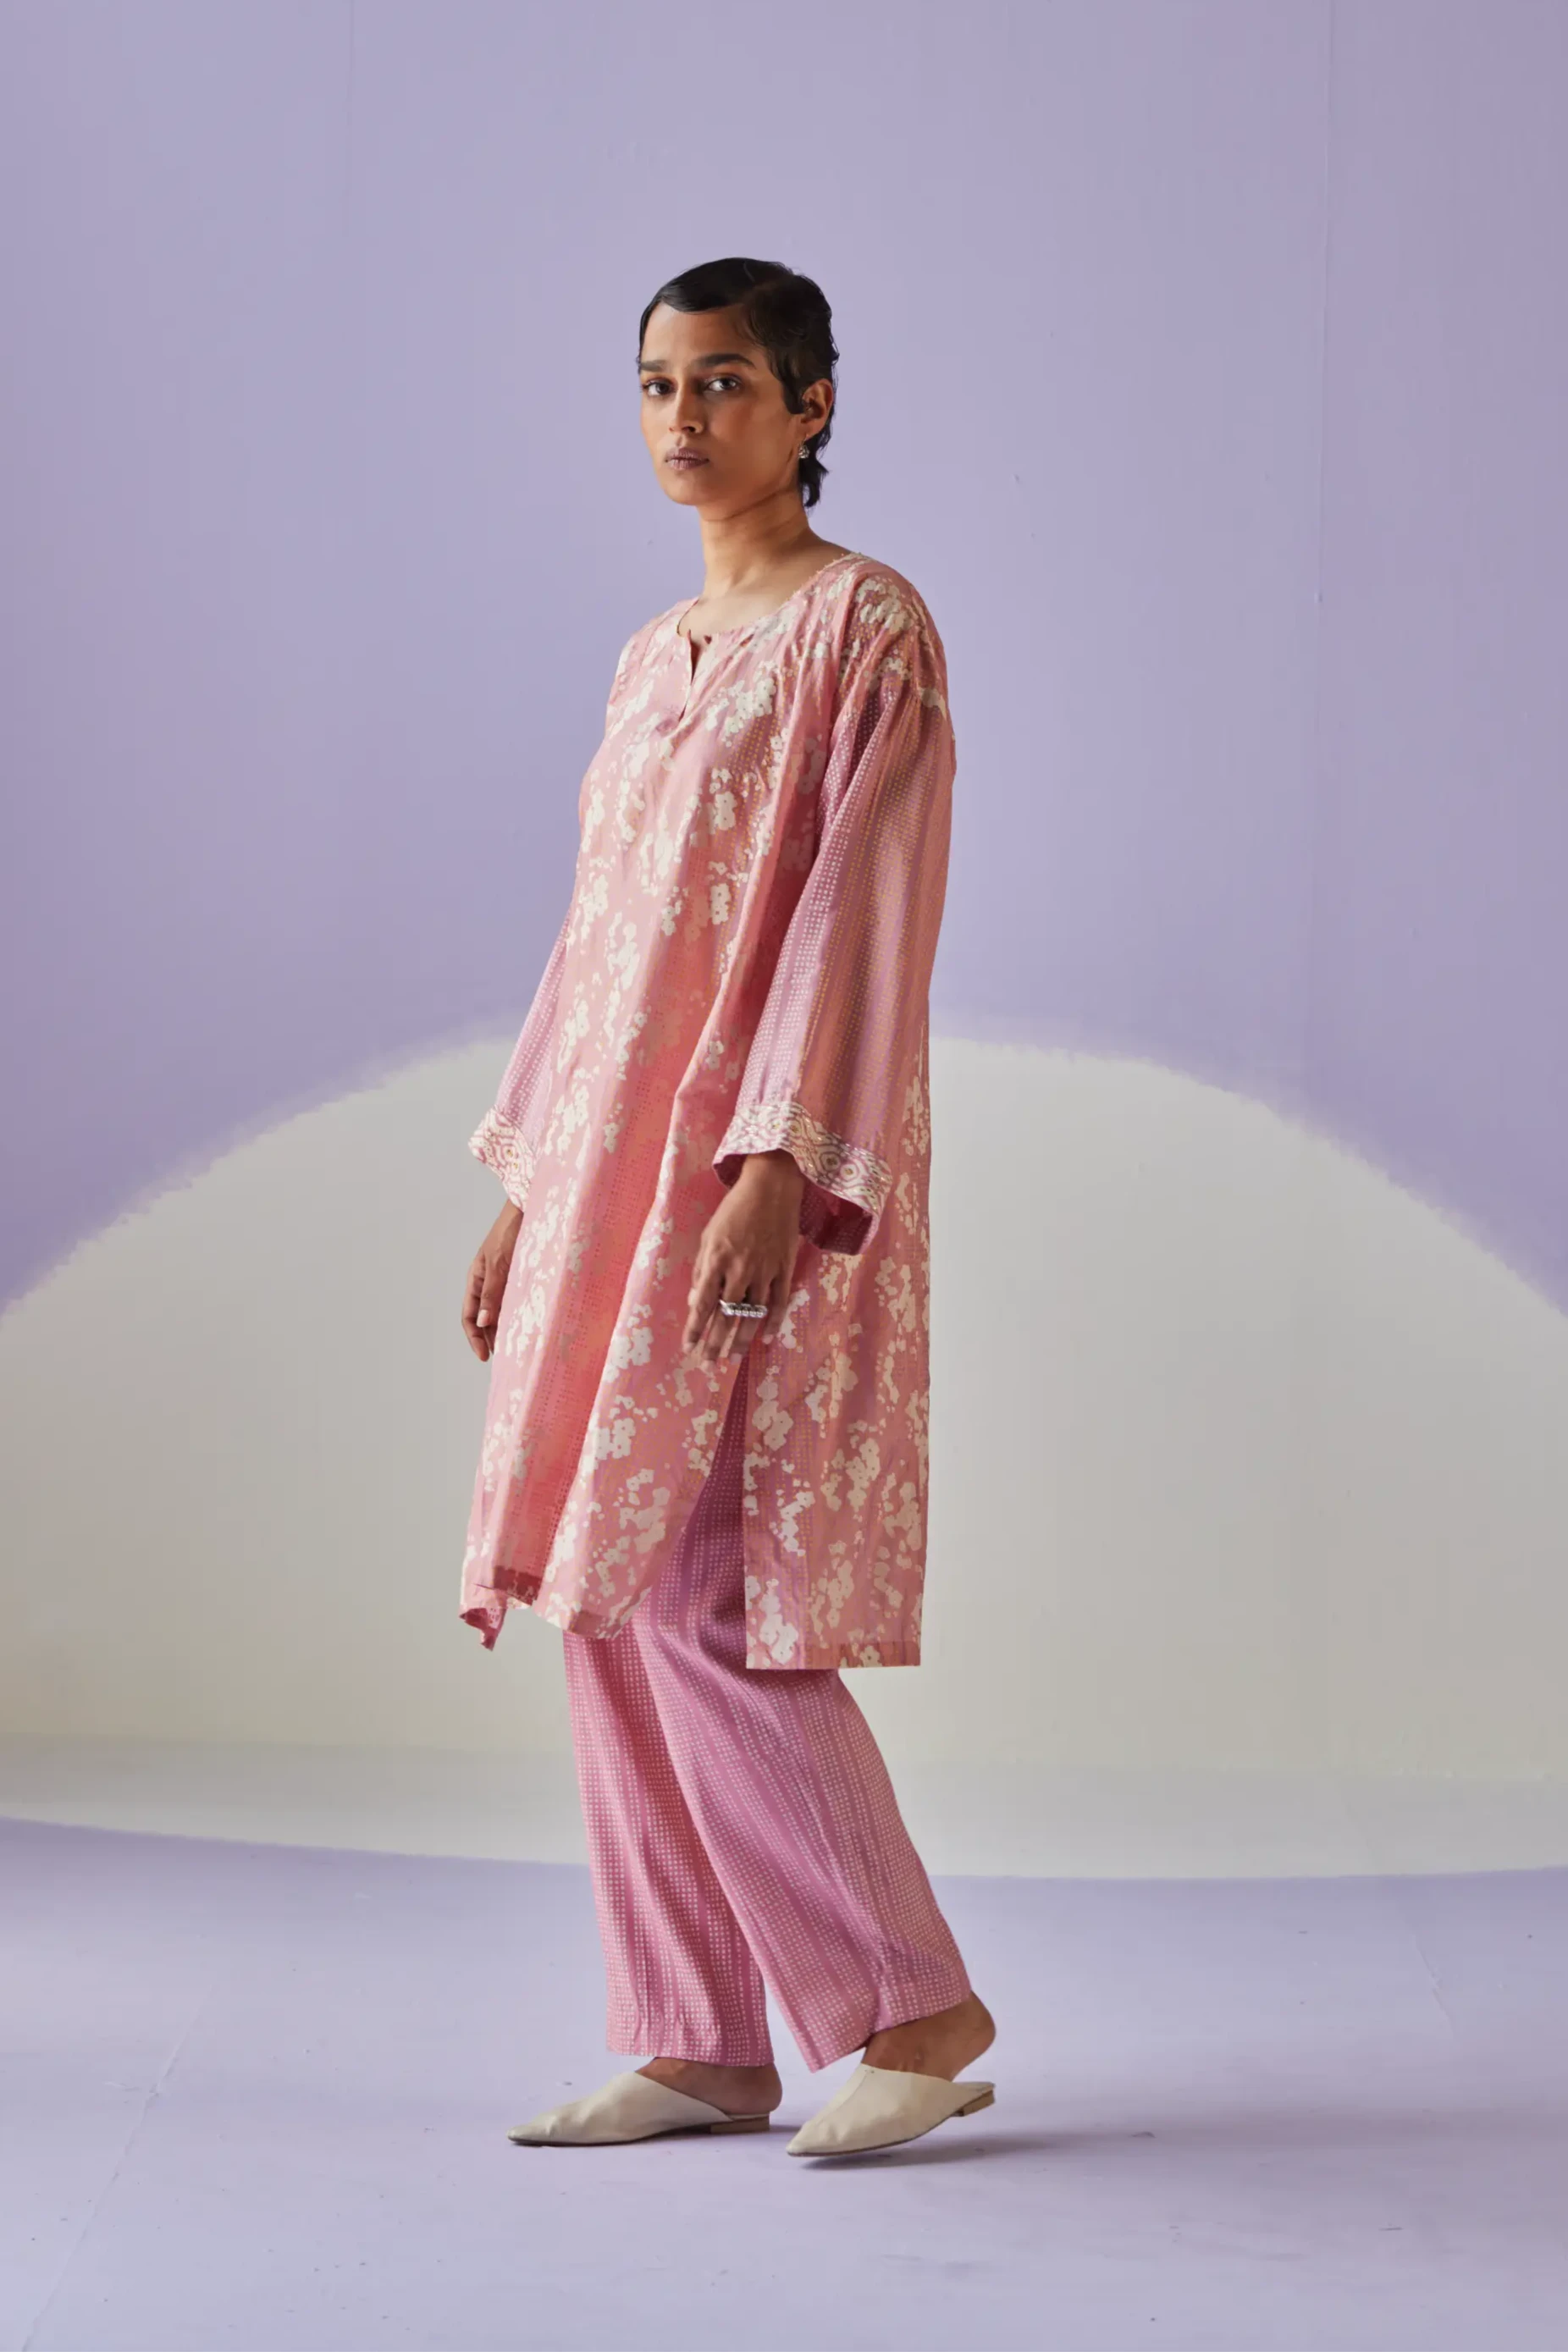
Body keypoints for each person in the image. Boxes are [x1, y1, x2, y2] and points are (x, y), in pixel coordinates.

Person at [458, 256, 994, 2159]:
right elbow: (598, 941)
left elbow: (861, 912)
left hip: (756, 1174)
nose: (683, 419)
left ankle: (911, 2007)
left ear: (811, 407)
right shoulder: (647, 659)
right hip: (606, 1179)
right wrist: (530, 1182)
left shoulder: (867, 630)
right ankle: (696, 2034)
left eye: (726, 383)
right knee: (600, 1585)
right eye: (658, 385)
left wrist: (777, 1162)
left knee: (703, 1587)